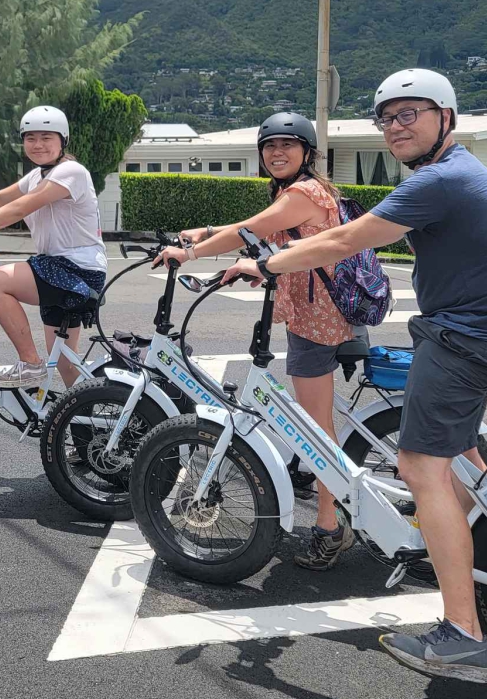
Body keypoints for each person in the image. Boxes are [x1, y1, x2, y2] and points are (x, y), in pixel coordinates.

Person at [220, 68, 487, 684]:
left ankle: (463, 636)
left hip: (468, 339)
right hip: (481, 334)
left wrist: (267, 264)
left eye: (409, 114)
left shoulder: (441, 180)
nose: (396, 127)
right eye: (386, 118)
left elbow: (344, 240)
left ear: (446, 116)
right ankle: (480, 550)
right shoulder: (453, 173)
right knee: (462, 454)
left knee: (421, 465)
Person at [156, 111, 369, 570]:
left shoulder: (305, 192)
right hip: (314, 317)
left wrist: (191, 252)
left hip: (317, 323)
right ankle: (324, 499)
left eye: (288, 145)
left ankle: (331, 528)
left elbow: (252, 230)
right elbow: (262, 231)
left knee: (316, 433)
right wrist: (212, 236)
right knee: (314, 424)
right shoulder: (297, 192)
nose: (277, 152)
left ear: (307, 153)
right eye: (269, 146)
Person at [0, 106, 106, 390]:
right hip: (61, 269)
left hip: (75, 270)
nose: (37, 144)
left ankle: (30, 364)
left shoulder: (71, 171)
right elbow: (3, 197)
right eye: (30, 138)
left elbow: (21, 206)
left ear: (62, 139)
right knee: (66, 364)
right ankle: (86, 426)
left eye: (46, 137)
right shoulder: (37, 177)